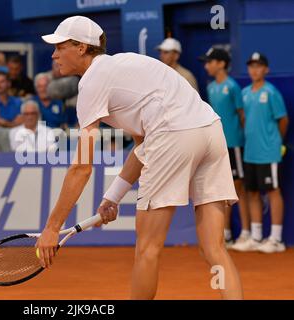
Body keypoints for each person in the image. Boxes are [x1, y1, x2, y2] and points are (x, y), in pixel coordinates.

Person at [38, 16, 243, 300]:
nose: (54, 54)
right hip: (210, 132)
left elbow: (81, 167)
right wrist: (113, 196)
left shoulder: (91, 83)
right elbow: (143, 146)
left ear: (81, 48)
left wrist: (52, 228)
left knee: (147, 249)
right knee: (214, 248)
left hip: (173, 136)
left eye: (60, 47)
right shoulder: (130, 64)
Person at [231, 52, 289, 254]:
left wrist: (275, 142)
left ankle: (275, 239)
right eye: (251, 66)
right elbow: (244, 120)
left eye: (259, 66)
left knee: (273, 191)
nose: (254, 70)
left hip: (269, 152)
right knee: (252, 192)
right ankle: (256, 236)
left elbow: (283, 120)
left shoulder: (271, 93)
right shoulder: (245, 93)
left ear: (266, 69)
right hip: (250, 153)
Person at [200, 47, 250, 248]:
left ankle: (246, 233)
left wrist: (244, 140)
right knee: (222, 190)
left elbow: (242, 115)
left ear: (221, 64)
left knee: (238, 189)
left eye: (210, 62)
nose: (206, 65)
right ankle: (226, 234)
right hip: (218, 147)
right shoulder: (211, 87)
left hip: (235, 145)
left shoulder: (233, 86)